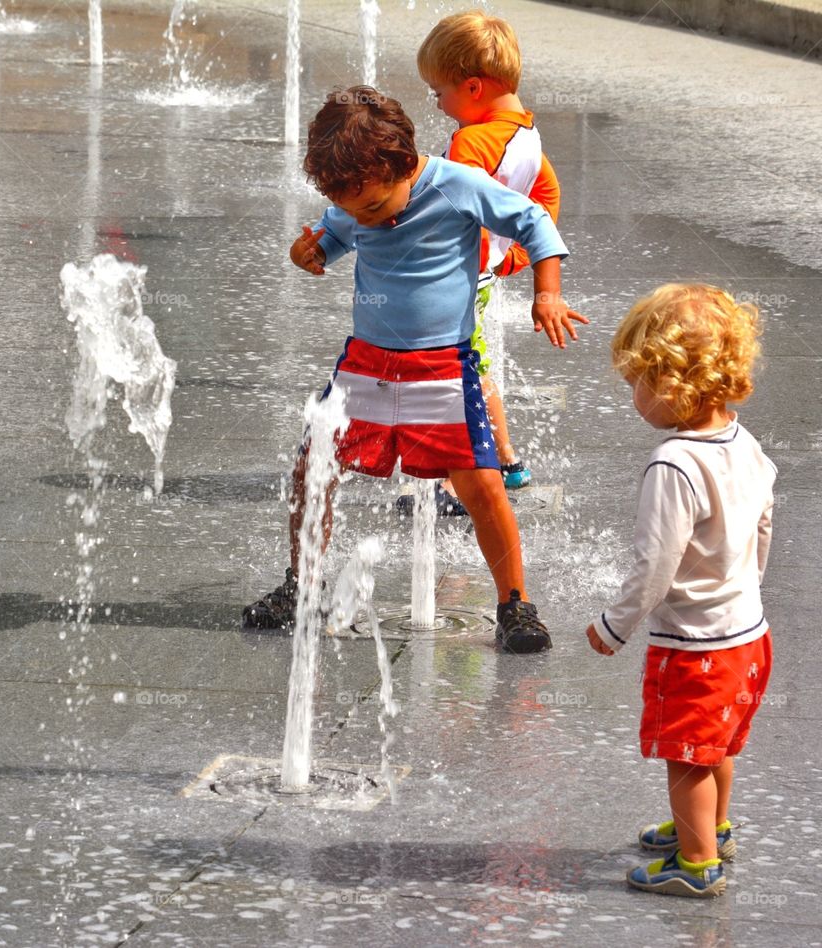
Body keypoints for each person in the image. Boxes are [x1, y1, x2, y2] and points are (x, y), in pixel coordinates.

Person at [242, 86, 586, 653]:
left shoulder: (456, 185)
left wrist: (546, 293)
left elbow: (534, 224)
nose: (365, 220)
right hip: (366, 365)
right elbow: (330, 237)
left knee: (481, 485)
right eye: (353, 210)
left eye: (374, 208)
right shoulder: (360, 198)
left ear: (403, 164)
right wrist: (309, 254)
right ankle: (303, 585)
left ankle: (515, 603)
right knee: (314, 469)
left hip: (442, 370)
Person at [586, 284, 776, 897]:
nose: (632, 395)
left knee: (687, 753)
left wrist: (616, 624)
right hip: (749, 636)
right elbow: (763, 526)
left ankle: (696, 867)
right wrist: (743, 586)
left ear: (671, 384)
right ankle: (712, 829)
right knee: (717, 742)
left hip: (696, 647)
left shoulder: (673, 463)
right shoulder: (744, 443)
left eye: (637, 381)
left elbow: (656, 563)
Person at [413, 10, 563, 511]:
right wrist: (512, 255)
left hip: (456, 277)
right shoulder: (527, 135)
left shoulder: (471, 141)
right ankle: (507, 461)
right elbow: (546, 195)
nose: (438, 105)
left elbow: (448, 205)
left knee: (459, 372)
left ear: (473, 87)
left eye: (440, 92)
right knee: (473, 366)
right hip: (481, 273)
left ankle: (463, 479)